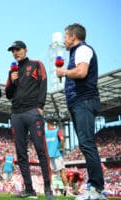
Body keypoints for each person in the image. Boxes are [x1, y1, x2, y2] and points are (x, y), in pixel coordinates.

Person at [56, 23, 106, 200]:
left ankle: (96, 188)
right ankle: (96, 187)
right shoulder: (75, 52)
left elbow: (82, 71)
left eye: (65, 36)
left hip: (84, 101)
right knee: (85, 144)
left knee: (86, 143)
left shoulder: (83, 50)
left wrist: (64, 72)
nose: (64, 40)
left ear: (73, 37)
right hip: (78, 102)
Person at [5, 40, 55, 200]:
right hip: (16, 114)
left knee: (41, 150)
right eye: (13, 50)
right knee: (21, 153)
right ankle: (29, 189)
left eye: (18, 49)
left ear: (25, 50)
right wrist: (12, 81)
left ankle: (48, 189)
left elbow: (44, 83)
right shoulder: (12, 71)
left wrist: (40, 106)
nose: (15, 52)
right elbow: (8, 94)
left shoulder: (36, 64)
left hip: (33, 112)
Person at [45, 120, 68, 195]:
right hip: (57, 154)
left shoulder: (45, 132)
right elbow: (62, 139)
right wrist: (60, 147)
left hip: (48, 155)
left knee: (49, 173)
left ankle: (51, 190)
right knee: (62, 171)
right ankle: (67, 190)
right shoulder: (57, 131)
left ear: (48, 124)